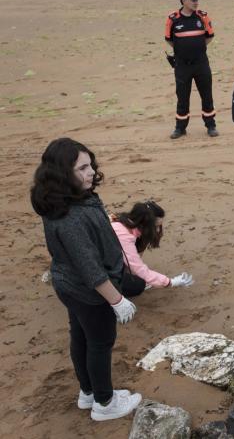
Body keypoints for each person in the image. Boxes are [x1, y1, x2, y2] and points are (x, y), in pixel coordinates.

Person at [30, 138, 142, 421]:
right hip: (88, 291)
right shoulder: (69, 218)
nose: (91, 171)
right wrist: (117, 301)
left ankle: (88, 393)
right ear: (62, 175)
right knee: (101, 342)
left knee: (81, 335)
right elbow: (89, 267)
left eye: (90, 164)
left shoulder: (72, 198)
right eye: (82, 168)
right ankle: (105, 403)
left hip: (69, 285)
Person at [164, 0, 218, 139]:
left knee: (207, 95)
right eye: (193, 0)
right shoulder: (173, 19)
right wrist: (183, 50)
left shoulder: (203, 17)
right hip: (182, 65)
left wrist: (197, 48)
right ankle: (180, 128)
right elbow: (169, 40)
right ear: (183, 1)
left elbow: (209, 37)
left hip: (201, 63)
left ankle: (211, 125)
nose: (196, 2)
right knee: (182, 97)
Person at [110, 201, 194, 290]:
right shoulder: (123, 235)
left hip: (107, 263)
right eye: (155, 226)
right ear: (145, 223)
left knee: (136, 278)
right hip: (98, 275)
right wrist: (170, 282)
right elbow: (137, 267)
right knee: (137, 285)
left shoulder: (125, 223)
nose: (158, 230)